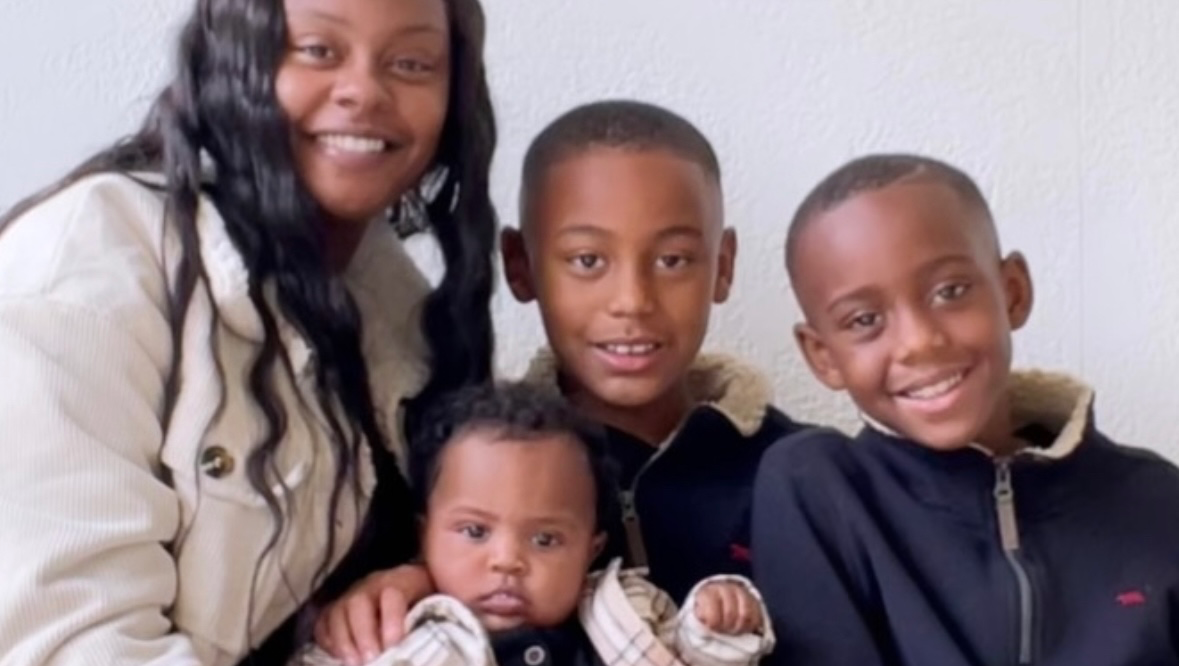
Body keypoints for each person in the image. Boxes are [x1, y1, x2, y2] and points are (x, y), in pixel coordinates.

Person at [0, 0, 498, 664]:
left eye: (411, 63)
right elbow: (68, 644)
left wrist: (422, 578)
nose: (364, 90)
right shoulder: (88, 269)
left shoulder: (394, 296)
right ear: (235, 61)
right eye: (318, 50)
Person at [753, 153, 1179, 665]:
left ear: (1013, 292)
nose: (919, 341)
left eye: (949, 292)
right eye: (865, 320)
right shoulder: (820, 489)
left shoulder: (1156, 501)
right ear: (823, 356)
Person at [501, 100, 811, 603]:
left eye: (672, 260)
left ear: (723, 266)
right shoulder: (477, 468)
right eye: (587, 260)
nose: (633, 301)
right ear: (520, 267)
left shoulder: (801, 474)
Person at [297, 382, 775, 666]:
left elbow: (699, 653)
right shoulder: (399, 635)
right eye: (475, 532)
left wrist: (718, 617)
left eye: (545, 539)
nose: (507, 561)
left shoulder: (626, 609)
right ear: (425, 535)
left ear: (591, 550)